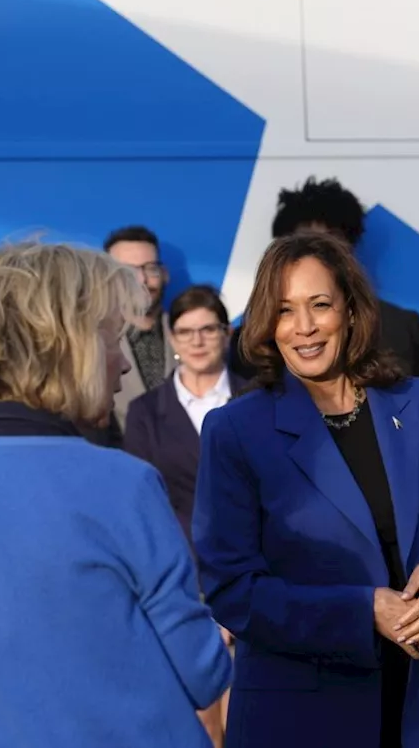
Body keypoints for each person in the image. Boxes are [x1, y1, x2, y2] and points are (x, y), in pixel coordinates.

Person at [0, 240, 232, 748]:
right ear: (71, 346)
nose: (122, 365)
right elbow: (203, 671)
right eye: (113, 338)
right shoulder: (122, 484)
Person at [194, 232, 419, 748]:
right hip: (302, 716)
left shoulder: (415, 403)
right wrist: (365, 610)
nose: (303, 327)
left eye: (319, 305)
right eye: (284, 311)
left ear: (350, 309)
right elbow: (232, 590)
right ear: (266, 325)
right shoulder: (236, 430)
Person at [227, 177, 419, 441]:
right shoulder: (251, 342)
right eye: (304, 240)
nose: (305, 327)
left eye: (330, 241)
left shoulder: (402, 327)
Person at [124, 284, 247, 748]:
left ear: (226, 333)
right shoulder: (145, 413)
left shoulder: (258, 401)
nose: (197, 340)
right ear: (171, 339)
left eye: (208, 329)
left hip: (255, 583)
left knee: (251, 724)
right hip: (180, 586)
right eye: (185, 331)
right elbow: (145, 507)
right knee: (200, 727)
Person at [105, 225, 177, 435]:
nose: (142, 280)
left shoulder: (194, 334)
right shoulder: (93, 341)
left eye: (150, 268)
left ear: (164, 274)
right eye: (129, 271)